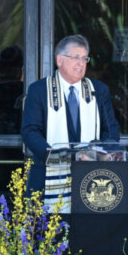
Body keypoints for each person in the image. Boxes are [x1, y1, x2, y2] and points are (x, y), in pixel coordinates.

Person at [20, 35, 120, 206]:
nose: (81, 63)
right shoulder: (39, 90)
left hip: (91, 175)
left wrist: (98, 153)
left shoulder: (98, 90)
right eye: (76, 58)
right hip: (47, 175)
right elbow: (30, 131)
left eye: (84, 58)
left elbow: (111, 130)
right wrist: (54, 156)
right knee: (48, 231)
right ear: (59, 60)